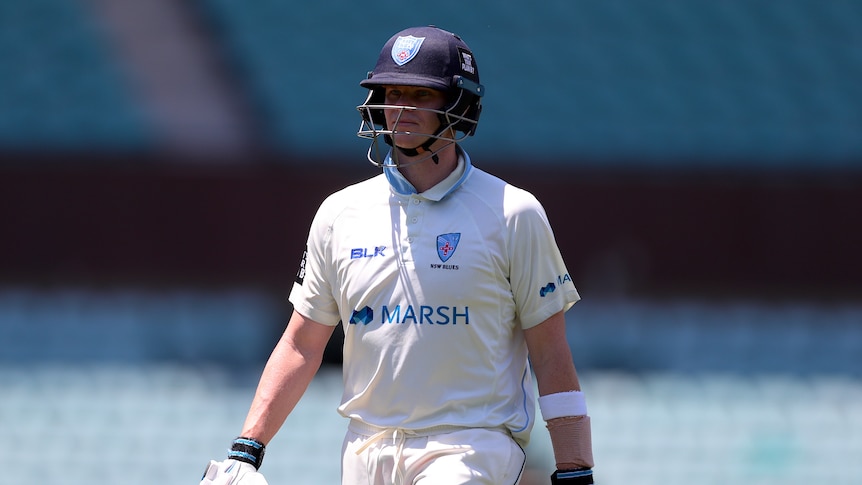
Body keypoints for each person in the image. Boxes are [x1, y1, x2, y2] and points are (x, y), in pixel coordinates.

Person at [200, 25, 594, 485]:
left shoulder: (514, 213)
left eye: (420, 94)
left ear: (458, 105)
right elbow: (301, 343)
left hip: (471, 445)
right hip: (366, 448)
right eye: (391, 92)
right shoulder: (339, 213)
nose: (401, 108)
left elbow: (549, 350)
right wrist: (247, 449)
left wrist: (574, 466)